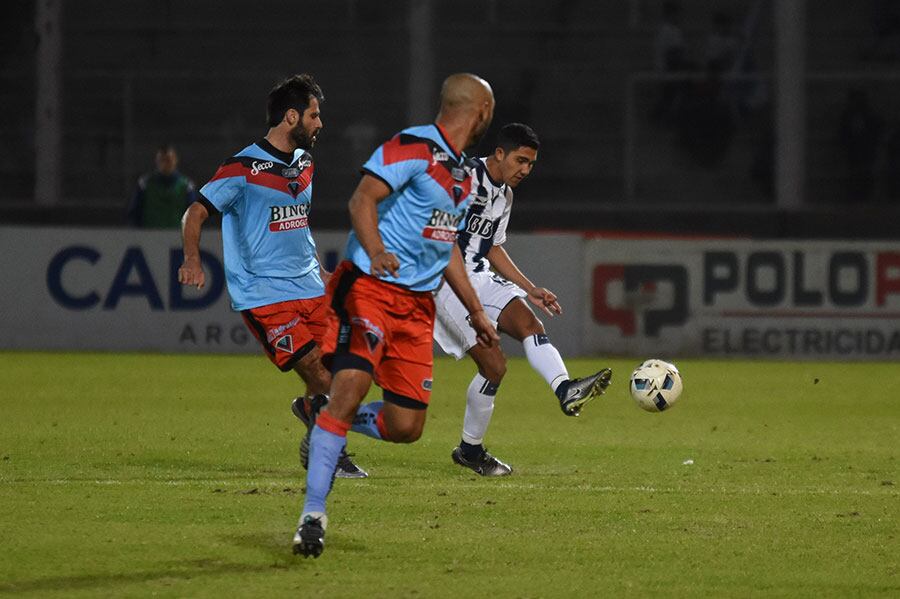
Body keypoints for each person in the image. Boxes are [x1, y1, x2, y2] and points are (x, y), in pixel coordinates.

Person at [293, 73, 500, 558]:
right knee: (352, 386)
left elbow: (445, 246)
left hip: (416, 308)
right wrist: (378, 249)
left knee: (407, 427)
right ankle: (312, 516)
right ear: (481, 111)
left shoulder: (465, 176)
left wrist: (475, 311)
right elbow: (362, 198)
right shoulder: (413, 146)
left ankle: (326, 417)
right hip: (369, 288)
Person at [177, 74, 366, 479]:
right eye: (314, 115)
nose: (320, 123)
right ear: (291, 116)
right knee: (317, 370)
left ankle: (311, 411)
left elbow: (297, 224)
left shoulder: (305, 162)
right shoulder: (242, 167)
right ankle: (330, 453)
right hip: (264, 294)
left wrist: (319, 267)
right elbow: (195, 212)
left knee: (341, 374)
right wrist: (192, 259)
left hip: (310, 285)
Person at [433, 123, 612, 477]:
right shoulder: (464, 178)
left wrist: (530, 288)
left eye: (531, 164)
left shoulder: (505, 196)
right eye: (520, 160)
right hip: (444, 280)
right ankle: (470, 450)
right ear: (499, 153)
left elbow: (494, 245)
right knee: (494, 367)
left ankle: (565, 389)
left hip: (480, 275)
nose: (525, 170)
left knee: (531, 323)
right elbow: (442, 239)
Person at [128, 144, 196, 228]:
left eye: (168, 160)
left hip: (177, 237)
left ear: (175, 160)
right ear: (156, 161)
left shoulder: (186, 186)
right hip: (150, 235)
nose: (165, 164)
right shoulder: (145, 184)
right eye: (161, 160)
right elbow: (134, 212)